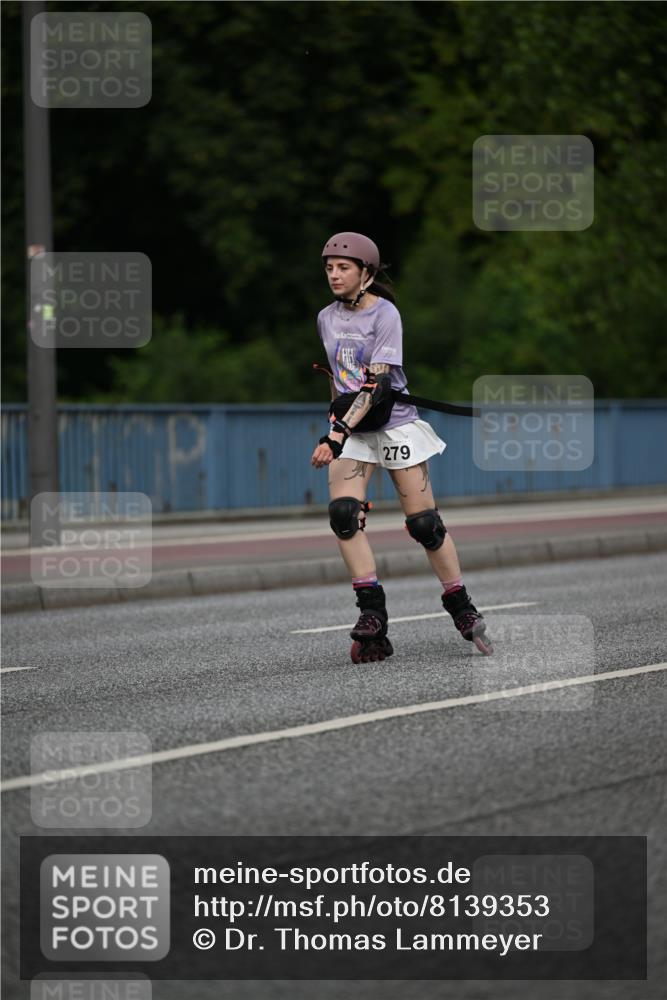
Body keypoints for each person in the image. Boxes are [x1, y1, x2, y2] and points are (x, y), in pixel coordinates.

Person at [311, 231, 492, 663]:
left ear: (367, 273)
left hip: (393, 425)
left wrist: (334, 436)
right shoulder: (326, 317)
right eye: (329, 268)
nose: (334, 275)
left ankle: (461, 607)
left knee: (425, 524)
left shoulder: (385, 314)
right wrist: (337, 424)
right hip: (353, 430)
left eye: (343, 268)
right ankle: (372, 615)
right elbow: (340, 380)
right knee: (342, 515)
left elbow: (376, 385)